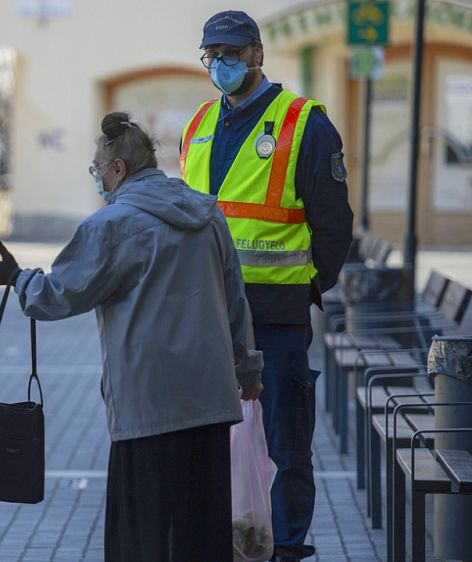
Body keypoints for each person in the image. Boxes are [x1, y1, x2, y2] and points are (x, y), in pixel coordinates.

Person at [0, 112, 263, 562]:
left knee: (142, 535)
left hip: (147, 407)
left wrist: (18, 278)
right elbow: (234, 302)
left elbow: (60, 295)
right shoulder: (208, 215)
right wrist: (247, 371)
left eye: (97, 169)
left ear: (118, 169)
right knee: (202, 531)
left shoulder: (110, 226)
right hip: (210, 399)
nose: (97, 178)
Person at [179, 10, 354, 562]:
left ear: (257, 52)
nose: (222, 64)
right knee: (206, 436)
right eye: (213, 55)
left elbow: (333, 225)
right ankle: (223, 538)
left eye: (232, 52)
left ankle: (284, 546)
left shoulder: (305, 123)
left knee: (284, 439)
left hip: (274, 314)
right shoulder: (200, 122)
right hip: (206, 309)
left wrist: (306, 286)